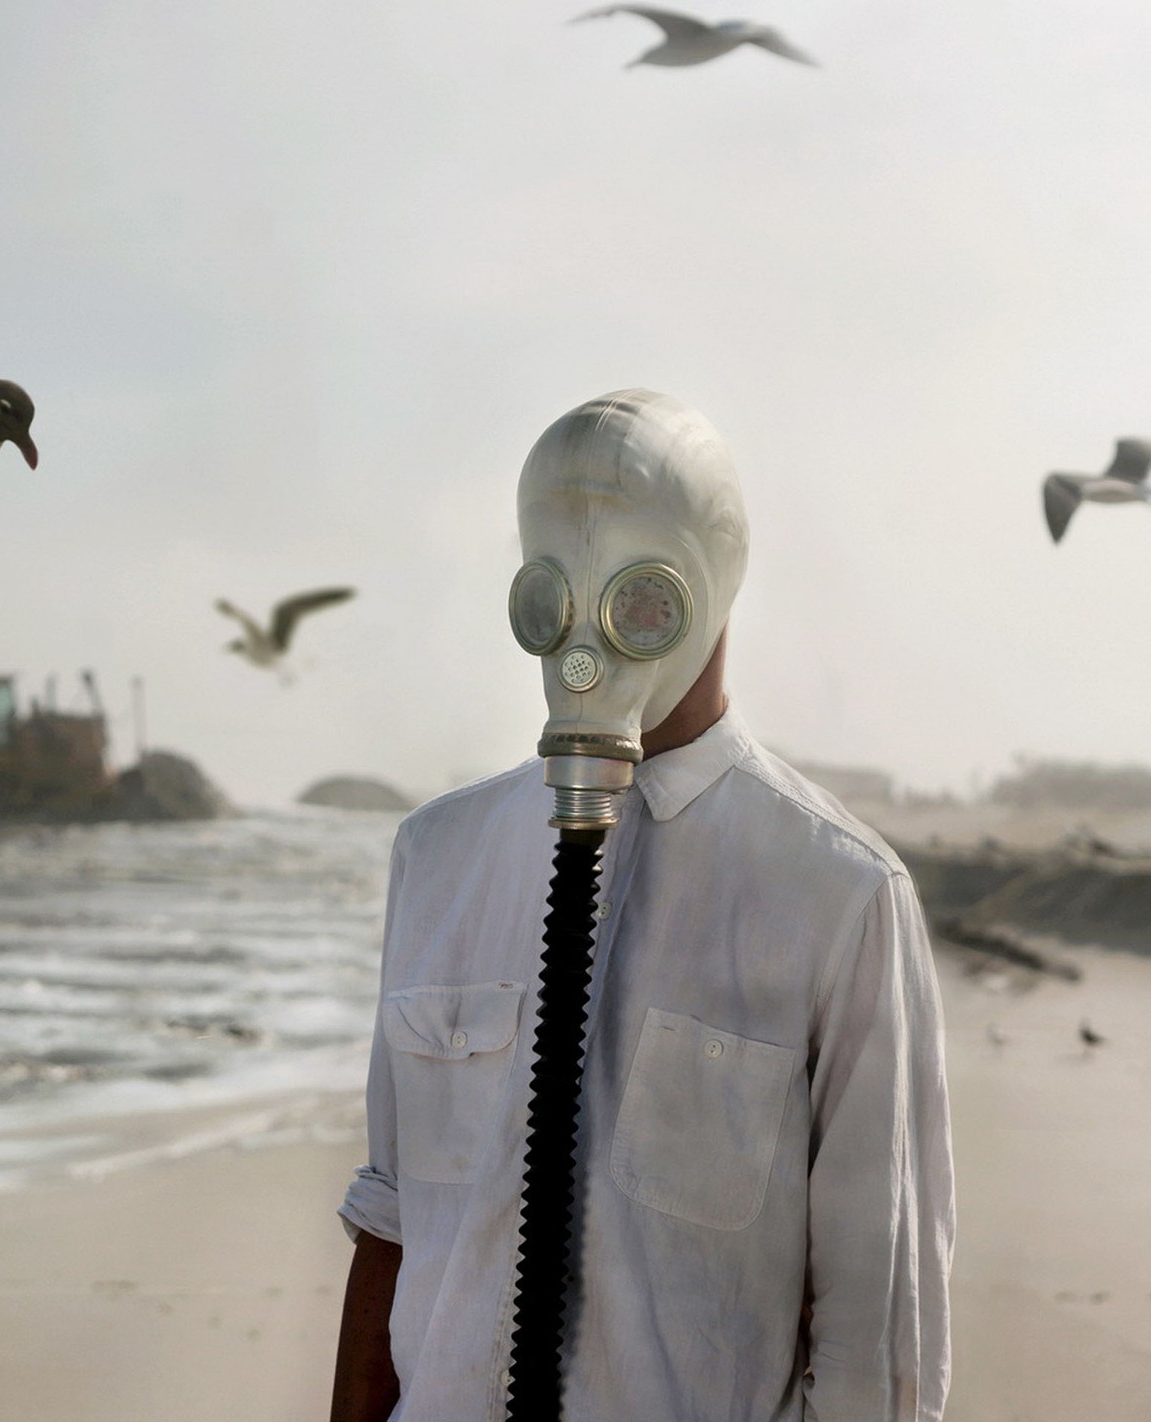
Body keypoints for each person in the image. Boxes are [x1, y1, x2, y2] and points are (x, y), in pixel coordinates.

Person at [330, 390, 954, 1422]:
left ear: (711, 588)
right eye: (551, 589)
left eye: (639, 597)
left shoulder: (837, 895)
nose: (587, 633)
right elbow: (392, 1226)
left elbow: (873, 1338)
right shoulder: (436, 856)